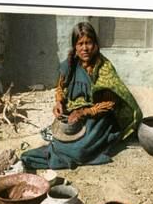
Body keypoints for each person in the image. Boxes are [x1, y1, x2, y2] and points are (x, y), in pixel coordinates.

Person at [21, 21, 142, 169]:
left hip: (99, 117)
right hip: (75, 114)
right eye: (80, 44)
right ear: (75, 47)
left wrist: (84, 112)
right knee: (65, 136)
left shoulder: (104, 68)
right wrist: (58, 103)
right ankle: (55, 151)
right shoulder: (70, 64)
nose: (85, 48)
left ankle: (55, 155)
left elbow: (110, 103)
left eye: (89, 43)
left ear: (95, 44)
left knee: (80, 150)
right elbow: (61, 88)